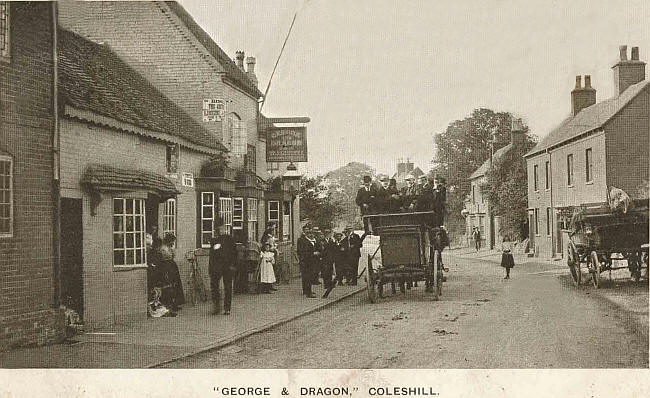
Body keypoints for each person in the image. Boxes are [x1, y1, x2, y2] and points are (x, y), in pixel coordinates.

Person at [208, 220, 237, 315]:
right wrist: (211, 268)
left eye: (222, 228)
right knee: (214, 287)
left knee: (228, 287)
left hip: (227, 267)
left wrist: (233, 265)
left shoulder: (229, 239)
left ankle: (227, 308)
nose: (220, 230)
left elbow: (234, 253)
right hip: (216, 268)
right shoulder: (213, 240)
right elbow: (211, 255)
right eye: (218, 228)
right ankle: (216, 306)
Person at [158, 233, 185, 312]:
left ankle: (175, 303)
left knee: (176, 284)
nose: (173, 243)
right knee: (169, 285)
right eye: (172, 241)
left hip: (172, 265)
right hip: (166, 266)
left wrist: (172, 250)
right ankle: (169, 303)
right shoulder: (163, 248)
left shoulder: (169, 247)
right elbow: (167, 256)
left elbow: (173, 255)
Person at [297, 225, 319, 298]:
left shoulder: (313, 241)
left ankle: (308, 290)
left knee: (309, 276)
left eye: (312, 233)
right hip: (305, 261)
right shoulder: (302, 240)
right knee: (307, 277)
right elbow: (301, 252)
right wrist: (312, 253)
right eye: (309, 233)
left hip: (311, 261)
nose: (311, 235)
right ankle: (308, 292)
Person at [321, 229, 337, 298]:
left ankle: (330, 283)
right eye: (326, 233)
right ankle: (327, 284)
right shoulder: (322, 241)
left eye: (329, 233)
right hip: (324, 259)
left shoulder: (332, 241)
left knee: (331, 272)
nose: (327, 234)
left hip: (331, 259)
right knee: (325, 272)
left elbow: (334, 250)